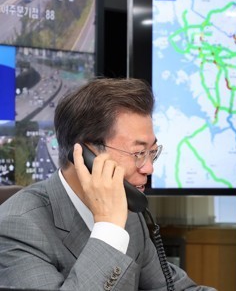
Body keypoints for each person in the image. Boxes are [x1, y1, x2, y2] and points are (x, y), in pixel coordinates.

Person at [0, 78, 216, 291]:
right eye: (139, 153)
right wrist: (109, 229)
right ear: (85, 155)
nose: (149, 168)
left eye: (152, 153)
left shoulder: (130, 218)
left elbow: (173, 288)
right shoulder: (16, 228)